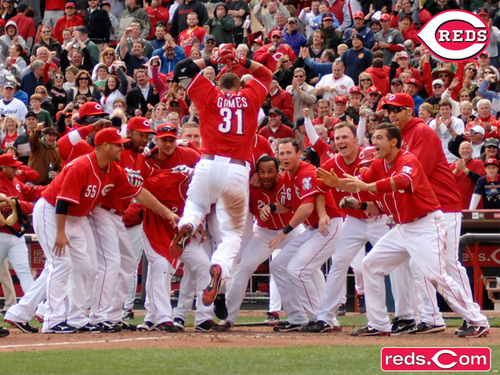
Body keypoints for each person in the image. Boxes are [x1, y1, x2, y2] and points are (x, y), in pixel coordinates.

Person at [332, 123, 489, 338]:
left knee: (436, 275)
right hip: (402, 227)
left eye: (379, 138)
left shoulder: (407, 159)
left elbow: (402, 181)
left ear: (393, 141)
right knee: (370, 265)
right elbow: (360, 185)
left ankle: (477, 320)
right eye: (373, 139)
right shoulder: (379, 165)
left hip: (426, 224)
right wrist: (338, 183)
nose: (374, 142)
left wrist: (367, 187)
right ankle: (378, 324)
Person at [33, 127, 178, 333]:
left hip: (78, 216)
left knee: (89, 267)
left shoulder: (112, 169)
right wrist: (60, 233)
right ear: (105, 146)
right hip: (51, 212)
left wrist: (167, 213)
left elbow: (140, 193)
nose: (122, 147)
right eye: (118, 144)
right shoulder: (82, 166)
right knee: (62, 264)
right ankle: (52, 319)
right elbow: (62, 202)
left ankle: (76, 318)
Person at [170, 46, 272, 308]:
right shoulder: (249, 98)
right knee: (232, 237)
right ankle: (218, 267)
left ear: (218, 82)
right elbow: (267, 74)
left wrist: (213, 58)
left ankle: (188, 225)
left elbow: (181, 67)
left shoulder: (210, 95)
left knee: (195, 206)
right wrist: (243, 60)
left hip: (208, 162)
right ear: (240, 86)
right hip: (238, 169)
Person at [451, 141, 486, 209]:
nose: (465, 150)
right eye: (463, 148)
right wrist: (456, 169)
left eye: (467, 148)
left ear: (472, 151)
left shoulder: (478, 163)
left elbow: (480, 180)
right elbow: (447, 182)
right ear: (459, 151)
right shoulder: (453, 165)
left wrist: (465, 170)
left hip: (474, 204)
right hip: (457, 204)